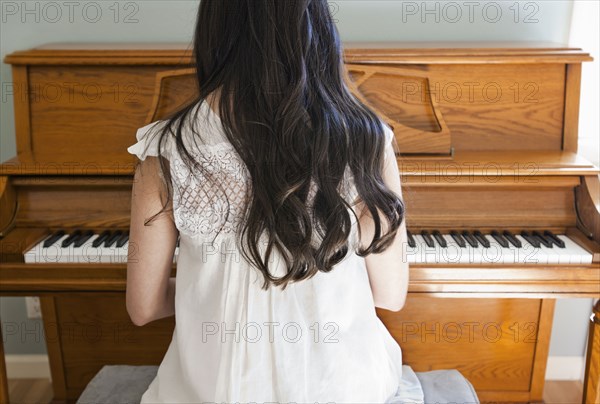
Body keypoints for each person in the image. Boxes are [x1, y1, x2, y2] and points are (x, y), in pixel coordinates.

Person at [126, 0, 424, 402]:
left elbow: (142, 308)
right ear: (316, 30)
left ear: (215, 30)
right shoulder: (367, 138)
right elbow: (390, 294)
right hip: (343, 390)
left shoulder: (166, 147)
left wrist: (207, 290)